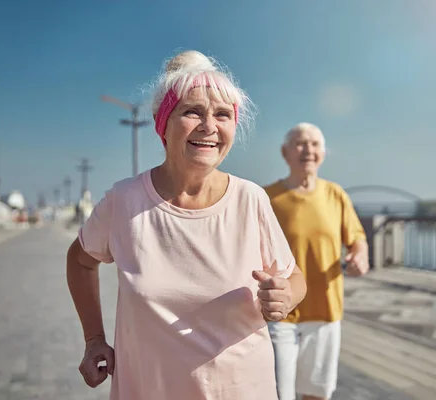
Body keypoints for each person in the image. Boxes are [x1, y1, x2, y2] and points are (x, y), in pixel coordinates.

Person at [66, 50, 307, 400]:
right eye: (192, 111)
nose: (209, 126)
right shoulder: (125, 201)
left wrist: (285, 297)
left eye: (223, 115)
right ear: (162, 122)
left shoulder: (250, 199)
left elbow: (294, 278)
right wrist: (93, 339)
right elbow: (79, 259)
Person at [264, 122, 370, 400]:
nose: (308, 150)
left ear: (323, 153)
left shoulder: (336, 195)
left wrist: (359, 254)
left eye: (314, 144)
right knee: (276, 394)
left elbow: (357, 237)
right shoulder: (266, 198)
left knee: (317, 394)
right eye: (300, 143)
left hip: (325, 311)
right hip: (279, 313)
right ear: (285, 152)